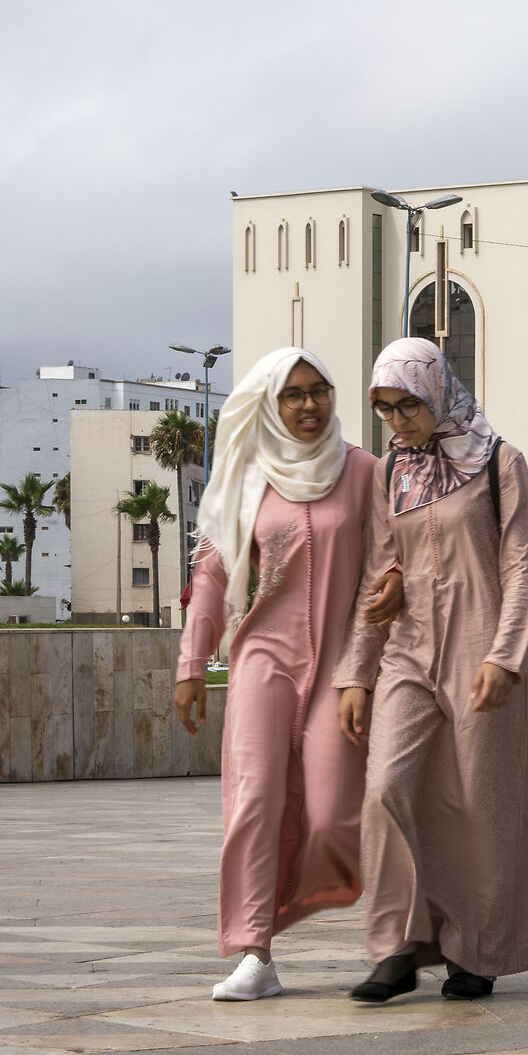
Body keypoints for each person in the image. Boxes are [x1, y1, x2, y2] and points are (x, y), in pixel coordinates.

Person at [337, 338, 528, 1003]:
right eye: (384, 408)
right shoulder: (393, 472)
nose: (397, 420)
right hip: (408, 651)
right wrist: (357, 671)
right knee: (386, 786)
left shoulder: (501, 460)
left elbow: (524, 564)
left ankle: (477, 949)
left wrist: (506, 654)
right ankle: (395, 947)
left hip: (482, 645)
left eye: (407, 404)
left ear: (437, 391)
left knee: (481, 803)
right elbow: (379, 573)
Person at [173, 349, 401, 1003]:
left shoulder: (363, 472)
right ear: (270, 406)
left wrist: (392, 593)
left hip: (341, 667)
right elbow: (212, 574)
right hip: (260, 662)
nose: (309, 405)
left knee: (333, 815)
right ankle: (255, 950)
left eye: (320, 391)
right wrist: (193, 662)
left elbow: (392, 555)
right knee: (253, 803)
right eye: (293, 395)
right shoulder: (248, 474)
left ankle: (301, 899)